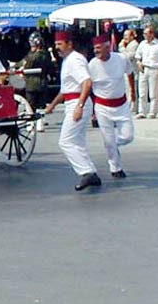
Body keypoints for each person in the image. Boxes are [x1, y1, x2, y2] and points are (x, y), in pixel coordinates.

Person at [44, 30, 100, 191]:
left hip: (77, 102)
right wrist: (52, 106)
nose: (57, 48)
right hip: (71, 101)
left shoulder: (75, 60)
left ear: (70, 44)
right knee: (78, 141)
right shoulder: (67, 61)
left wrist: (80, 106)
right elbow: (64, 90)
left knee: (66, 141)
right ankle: (91, 172)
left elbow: (87, 83)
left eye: (60, 44)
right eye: (56, 45)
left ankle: (86, 172)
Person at [88, 34, 135, 179]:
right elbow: (88, 86)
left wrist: (132, 91)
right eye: (94, 48)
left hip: (121, 104)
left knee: (128, 136)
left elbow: (130, 73)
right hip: (102, 106)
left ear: (108, 47)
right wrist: (91, 109)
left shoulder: (121, 59)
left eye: (98, 48)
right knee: (107, 139)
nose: (96, 51)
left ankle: (113, 145)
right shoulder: (92, 65)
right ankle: (115, 168)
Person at [16, 32, 53, 132]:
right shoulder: (46, 55)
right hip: (43, 82)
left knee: (30, 105)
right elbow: (50, 68)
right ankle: (40, 124)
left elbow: (25, 65)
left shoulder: (31, 56)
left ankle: (30, 123)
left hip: (31, 83)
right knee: (41, 104)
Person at [134, 24, 158, 118]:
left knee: (153, 92)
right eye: (144, 34)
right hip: (144, 69)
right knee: (142, 92)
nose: (145, 35)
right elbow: (138, 56)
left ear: (152, 34)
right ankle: (142, 112)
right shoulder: (142, 44)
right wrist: (138, 63)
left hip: (154, 69)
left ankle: (152, 112)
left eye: (147, 33)